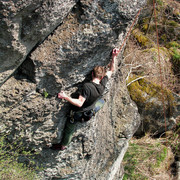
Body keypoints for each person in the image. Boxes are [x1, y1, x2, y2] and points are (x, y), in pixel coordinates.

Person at [51, 48, 119, 150]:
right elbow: (111, 71)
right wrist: (114, 57)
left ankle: (63, 146)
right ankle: (93, 110)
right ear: (101, 77)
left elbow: (79, 103)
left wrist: (65, 96)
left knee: (70, 129)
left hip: (79, 113)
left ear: (92, 74)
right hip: (90, 109)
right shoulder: (103, 84)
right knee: (101, 101)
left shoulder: (87, 86)